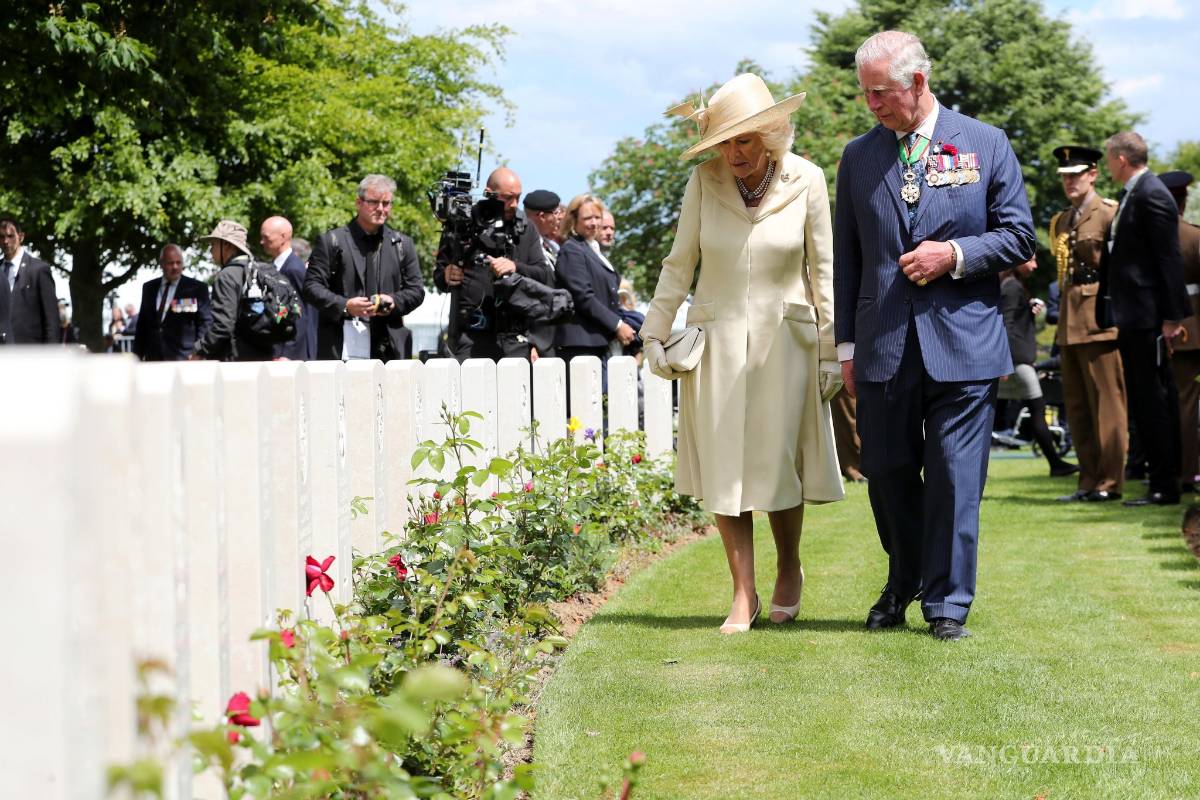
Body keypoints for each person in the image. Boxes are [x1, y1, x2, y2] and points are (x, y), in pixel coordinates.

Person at [833, 31, 1035, 641]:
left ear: (917, 82)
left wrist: (954, 254)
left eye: (881, 93)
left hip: (965, 343)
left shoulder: (985, 143)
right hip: (883, 344)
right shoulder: (858, 156)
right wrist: (847, 347)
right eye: (866, 93)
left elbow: (1018, 236)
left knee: (954, 478)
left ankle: (947, 604)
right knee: (887, 473)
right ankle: (905, 577)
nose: (872, 105)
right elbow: (848, 258)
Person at [641, 72, 844, 633]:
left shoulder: (807, 179)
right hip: (717, 343)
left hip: (788, 343)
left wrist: (831, 350)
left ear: (771, 135)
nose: (733, 153)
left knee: (777, 463)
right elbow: (679, 264)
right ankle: (742, 592)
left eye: (744, 140)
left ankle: (789, 566)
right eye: (724, 142)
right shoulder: (703, 182)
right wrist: (653, 333)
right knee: (725, 465)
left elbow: (824, 271)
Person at [1098, 132, 1192, 506]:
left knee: (1153, 401)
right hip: (1135, 314)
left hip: (1148, 316)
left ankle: (1165, 484)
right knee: (1145, 400)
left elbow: (1169, 259)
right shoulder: (1134, 193)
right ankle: (1161, 479)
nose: (1108, 165)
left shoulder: (1151, 194)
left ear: (1121, 159)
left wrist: (1171, 318)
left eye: (1109, 158)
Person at [1047, 145, 1126, 503]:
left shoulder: (1109, 213)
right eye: (1065, 176)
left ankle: (1110, 482)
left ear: (1093, 174)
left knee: (1107, 406)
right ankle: (1088, 480)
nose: (1070, 182)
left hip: (1100, 319)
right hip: (1069, 320)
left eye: (1076, 175)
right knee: (1077, 407)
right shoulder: (1062, 220)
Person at [434, 167, 551, 361]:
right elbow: (439, 277)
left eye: (518, 197)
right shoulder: (462, 222)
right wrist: (447, 274)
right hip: (470, 336)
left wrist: (515, 267)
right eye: (508, 198)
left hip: (515, 338)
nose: (514, 204)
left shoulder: (525, 228)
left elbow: (543, 274)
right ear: (489, 193)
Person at [304, 175, 425, 362]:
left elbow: (416, 290)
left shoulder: (403, 244)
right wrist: (345, 306)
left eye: (386, 203)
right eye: (374, 202)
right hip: (341, 348)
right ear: (358, 203)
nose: (381, 209)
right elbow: (311, 287)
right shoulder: (331, 241)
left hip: (389, 349)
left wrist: (393, 301)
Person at [998, 258, 1078, 476]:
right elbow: (1006, 324)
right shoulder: (1012, 286)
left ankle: (1055, 463)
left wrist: (1028, 310)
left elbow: (1014, 321)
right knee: (1037, 409)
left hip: (1017, 359)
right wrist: (1003, 360)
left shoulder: (1013, 285)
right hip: (1017, 361)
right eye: (1030, 260)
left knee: (1035, 410)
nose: (1035, 265)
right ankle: (1055, 463)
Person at [556, 194, 634, 362]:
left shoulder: (592, 249)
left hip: (599, 341)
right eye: (587, 218)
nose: (594, 223)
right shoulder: (572, 250)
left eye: (597, 217)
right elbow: (583, 297)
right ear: (574, 220)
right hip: (582, 344)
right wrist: (618, 325)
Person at [1160, 170, 1200, 489]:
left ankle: (1173, 470)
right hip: (1191, 328)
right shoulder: (1193, 236)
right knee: (1187, 406)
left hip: (1156, 328)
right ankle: (1189, 472)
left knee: (1171, 404)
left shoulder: (1149, 238)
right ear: (1184, 201)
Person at [190, 221, 274, 362]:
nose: (210, 250)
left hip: (236, 360)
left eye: (213, 244)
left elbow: (223, 326)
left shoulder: (227, 275)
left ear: (227, 245)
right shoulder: (259, 271)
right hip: (264, 356)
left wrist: (199, 349)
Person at [133, 243, 213, 361]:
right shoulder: (149, 288)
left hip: (185, 358)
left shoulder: (196, 288)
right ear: (161, 264)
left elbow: (205, 323)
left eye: (178, 263)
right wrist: (136, 357)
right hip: (154, 359)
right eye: (170, 263)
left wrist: (199, 351)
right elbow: (142, 325)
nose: (175, 267)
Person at [261, 215, 314, 361]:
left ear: (283, 237)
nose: (262, 242)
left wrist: (287, 353)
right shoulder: (279, 267)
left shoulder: (292, 269)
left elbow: (300, 314)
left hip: (291, 356)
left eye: (266, 237)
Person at [0, 216, 58, 345]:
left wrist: (51, 353)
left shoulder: (39, 270)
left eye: (10, 236)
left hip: (30, 351)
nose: (6, 241)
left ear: (21, 237)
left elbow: (51, 320)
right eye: (1, 237)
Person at [524, 188, 564, 360]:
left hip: (554, 336)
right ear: (541, 216)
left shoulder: (551, 246)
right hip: (537, 340)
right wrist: (531, 342)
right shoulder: (522, 246)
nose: (558, 218)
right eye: (555, 213)